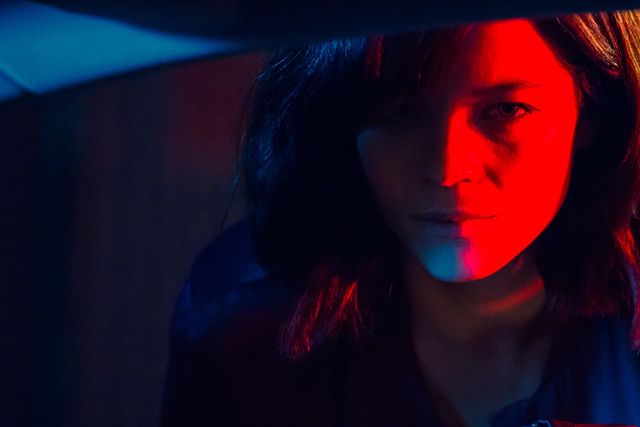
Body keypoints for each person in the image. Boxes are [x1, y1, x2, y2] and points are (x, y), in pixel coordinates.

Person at [162, 10, 640, 427]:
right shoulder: (238, 328)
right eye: (400, 110)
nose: (448, 168)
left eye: (506, 110)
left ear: (591, 111)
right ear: (342, 118)